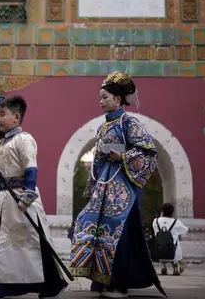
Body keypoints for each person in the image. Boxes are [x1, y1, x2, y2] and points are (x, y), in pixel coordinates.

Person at [69, 71, 164, 298]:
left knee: (117, 234)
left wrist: (120, 157)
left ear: (118, 99)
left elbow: (149, 152)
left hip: (123, 190)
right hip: (104, 188)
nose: (100, 101)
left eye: (104, 97)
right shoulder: (103, 127)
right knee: (97, 230)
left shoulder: (129, 121)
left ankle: (118, 284)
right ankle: (102, 281)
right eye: (100, 97)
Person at [0, 95, 68, 299]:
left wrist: (27, 197)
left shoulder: (24, 139)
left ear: (16, 117)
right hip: (5, 200)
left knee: (33, 243)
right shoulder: (3, 142)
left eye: (3, 115)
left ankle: (48, 284)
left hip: (20, 199)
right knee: (1, 244)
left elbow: (31, 168)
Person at [152, 203, 189, 276]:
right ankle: (176, 266)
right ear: (172, 212)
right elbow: (185, 230)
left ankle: (163, 267)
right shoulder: (176, 222)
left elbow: (155, 233)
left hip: (160, 253)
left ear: (162, 211)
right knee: (175, 241)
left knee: (160, 243)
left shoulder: (155, 221)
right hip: (173, 253)